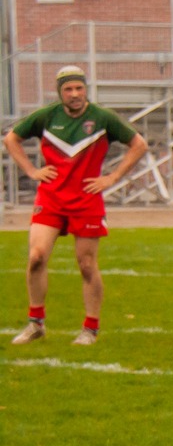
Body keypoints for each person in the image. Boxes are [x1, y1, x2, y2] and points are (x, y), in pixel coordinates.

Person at [6, 66, 149, 347]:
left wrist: (113, 177)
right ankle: (36, 323)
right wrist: (32, 171)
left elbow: (139, 144)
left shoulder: (102, 117)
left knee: (86, 265)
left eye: (79, 88)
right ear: (60, 92)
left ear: (86, 89)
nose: (74, 94)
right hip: (51, 198)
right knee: (36, 257)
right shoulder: (46, 116)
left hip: (86, 198)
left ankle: (90, 329)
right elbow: (12, 138)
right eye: (68, 89)